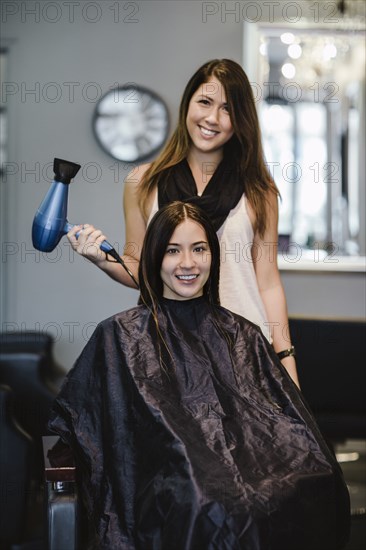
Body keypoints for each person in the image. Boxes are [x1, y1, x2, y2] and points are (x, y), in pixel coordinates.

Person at [51, 201, 350, 550]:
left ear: (214, 255)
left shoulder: (243, 334)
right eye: (172, 251)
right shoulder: (119, 335)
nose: (188, 263)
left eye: (199, 249)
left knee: (317, 479)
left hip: (245, 470)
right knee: (214, 505)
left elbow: (274, 426)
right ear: (153, 257)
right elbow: (83, 421)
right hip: (174, 481)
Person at [67, 59, 300, 387]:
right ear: (187, 103)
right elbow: (140, 266)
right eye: (204, 102)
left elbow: (268, 283)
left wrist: (286, 360)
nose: (212, 118)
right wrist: (101, 259)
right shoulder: (143, 182)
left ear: (241, 120)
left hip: (243, 352)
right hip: (169, 350)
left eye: (227, 109)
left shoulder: (259, 192)